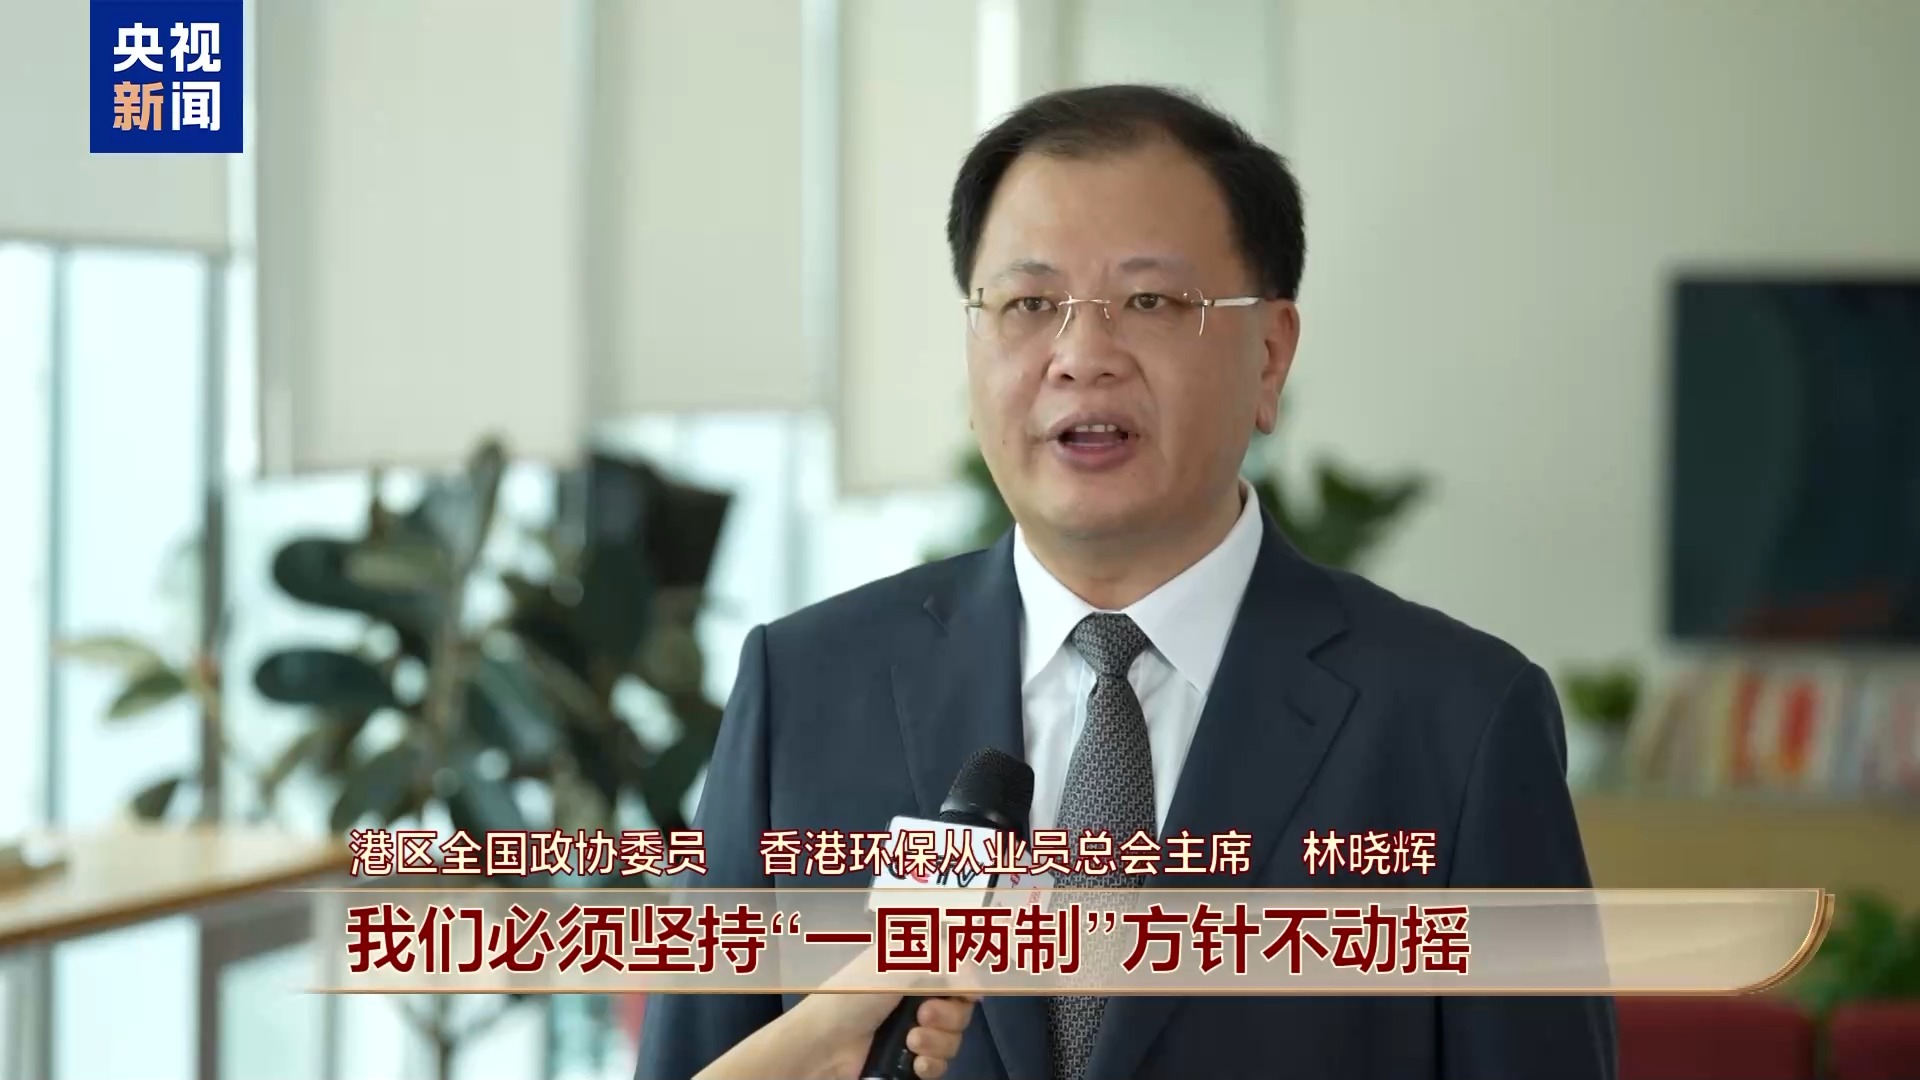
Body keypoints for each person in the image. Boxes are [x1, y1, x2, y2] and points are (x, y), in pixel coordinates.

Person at [637, 83, 1618, 1080]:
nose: (1082, 357)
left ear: (1270, 356)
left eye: (1151, 302)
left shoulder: (1458, 723)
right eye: (1029, 305)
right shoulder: (805, 692)